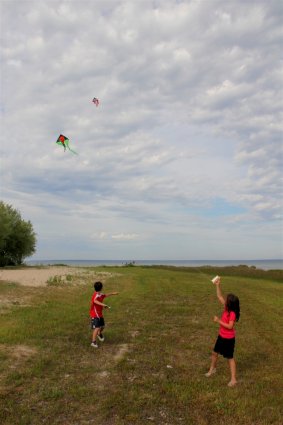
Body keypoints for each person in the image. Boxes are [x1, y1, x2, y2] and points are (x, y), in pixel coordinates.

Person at [205, 276, 240, 387]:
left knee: (230, 358)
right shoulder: (227, 308)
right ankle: (212, 369)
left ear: (230, 304)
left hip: (228, 339)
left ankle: (233, 379)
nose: (225, 299)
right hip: (221, 336)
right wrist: (217, 285)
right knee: (214, 353)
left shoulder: (232, 313)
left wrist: (218, 320)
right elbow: (219, 296)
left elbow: (230, 326)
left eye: (227, 299)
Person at [89, 281, 118, 348]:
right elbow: (95, 301)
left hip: (99, 313)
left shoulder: (100, 294)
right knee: (97, 327)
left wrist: (113, 293)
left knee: (102, 326)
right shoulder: (95, 295)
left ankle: (99, 334)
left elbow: (105, 295)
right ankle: (93, 342)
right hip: (95, 313)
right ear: (101, 288)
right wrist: (104, 305)